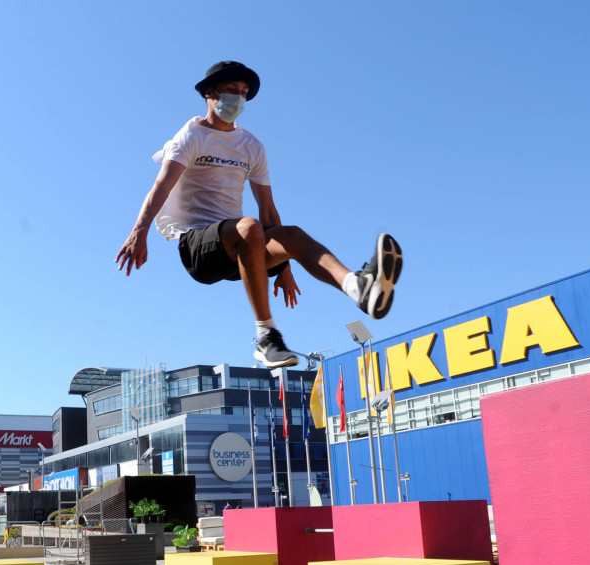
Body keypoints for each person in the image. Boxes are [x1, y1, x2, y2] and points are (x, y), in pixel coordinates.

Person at [116, 61, 403, 368]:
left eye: (244, 93)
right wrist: (139, 231)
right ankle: (267, 336)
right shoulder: (191, 137)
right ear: (210, 94)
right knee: (249, 226)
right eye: (231, 91)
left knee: (290, 234)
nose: (238, 99)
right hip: (199, 246)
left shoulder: (251, 146)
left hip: (243, 247)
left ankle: (356, 286)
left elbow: (267, 208)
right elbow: (161, 186)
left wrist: (283, 265)